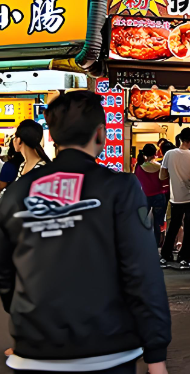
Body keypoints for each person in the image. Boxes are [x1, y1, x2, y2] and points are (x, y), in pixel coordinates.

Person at [0, 90, 171, 374]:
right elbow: (142, 271)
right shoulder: (121, 188)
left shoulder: (16, 193)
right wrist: (156, 352)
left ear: (52, 137)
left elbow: (4, 274)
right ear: (101, 135)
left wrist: (26, 317)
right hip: (108, 351)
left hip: (33, 353)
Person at [159, 128, 190, 269]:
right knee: (189, 229)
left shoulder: (169, 154)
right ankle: (184, 259)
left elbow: (162, 176)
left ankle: (165, 256)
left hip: (175, 198)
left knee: (173, 228)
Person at [134, 144, 168, 250]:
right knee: (158, 223)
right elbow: (165, 181)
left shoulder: (139, 166)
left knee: (141, 221)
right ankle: (156, 244)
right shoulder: (159, 167)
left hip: (144, 197)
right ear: (155, 153)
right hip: (159, 196)